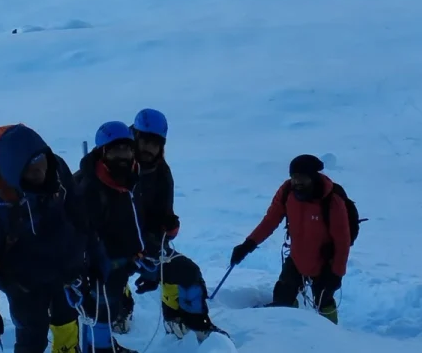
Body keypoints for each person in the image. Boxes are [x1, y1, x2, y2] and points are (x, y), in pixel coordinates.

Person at [0, 124, 90, 353]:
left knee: (67, 319)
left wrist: (88, 257)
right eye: (30, 169)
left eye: (41, 163)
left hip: (65, 270)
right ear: (15, 171)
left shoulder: (58, 172)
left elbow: (80, 214)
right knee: (33, 336)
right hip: (23, 283)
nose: (40, 173)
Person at [127, 109, 216, 340]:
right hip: (107, 250)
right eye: (145, 140)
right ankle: (118, 312)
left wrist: (166, 232)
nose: (148, 148)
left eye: (155, 143)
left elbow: (163, 222)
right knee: (101, 286)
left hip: (145, 247)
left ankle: (189, 322)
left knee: (187, 272)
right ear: (135, 136)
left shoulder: (161, 173)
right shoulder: (112, 163)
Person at [229, 154, 351, 324]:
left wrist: (337, 273)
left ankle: (332, 335)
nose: (297, 183)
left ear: (313, 177)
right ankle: (289, 332)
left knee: (323, 300)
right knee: (282, 297)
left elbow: (342, 241)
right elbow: (270, 220)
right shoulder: (287, 192)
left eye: (302, 178)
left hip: (324, 262)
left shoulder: (331, 201)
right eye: (294, 177)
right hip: (297, 257)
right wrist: (248, 245)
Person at [73, 121, 152, 352]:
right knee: (102, 303)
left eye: (127, 149)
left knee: (109, 301)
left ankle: (96, 344)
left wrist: (137, 251)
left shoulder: (127, 179)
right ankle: (100, 347)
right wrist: (99, 261)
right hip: (95, 263)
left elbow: (128, 220)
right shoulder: (89, 187)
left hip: (119, 257)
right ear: (103, 152)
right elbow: (85, 233)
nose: (123, 156)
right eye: (116, 150)